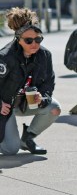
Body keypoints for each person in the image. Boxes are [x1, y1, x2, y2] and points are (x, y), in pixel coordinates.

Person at [0, 8, 60, 155]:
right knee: (10, 149)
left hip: (25, 103)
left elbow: (48, 84)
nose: (34, 43)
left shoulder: (44, 55)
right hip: (5, 106)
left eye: (38, 39)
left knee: (54, 108)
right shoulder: (5, 58)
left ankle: (27, 139)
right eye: (29, 40)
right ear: (18, 40)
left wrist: (43, 98)